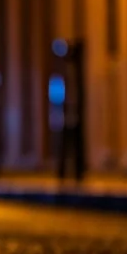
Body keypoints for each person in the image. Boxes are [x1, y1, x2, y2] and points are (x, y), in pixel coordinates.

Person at [55, 38, 86, 181]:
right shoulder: (60, 74)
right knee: (62, 146)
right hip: (64, 116)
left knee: (76, 145)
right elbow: (56, 96)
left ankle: (78, 172)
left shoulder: (78, 75)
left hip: (75, 116)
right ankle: (61, 173)